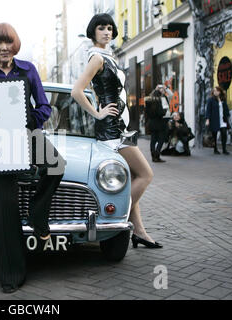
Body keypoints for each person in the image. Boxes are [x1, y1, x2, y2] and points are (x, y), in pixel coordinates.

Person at [0, 22, 66, 293]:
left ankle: (37, 214)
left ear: (15, 45)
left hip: (27, 134)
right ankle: (10, 274)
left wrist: (28, 121)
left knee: (56, 165)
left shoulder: (28, 70)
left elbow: (44, 106)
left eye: (7, 42)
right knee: (4, 206)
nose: (3, 48)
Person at [71, 13, 162, 250]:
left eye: (110, 28)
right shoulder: (96, 58)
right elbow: (77, 91)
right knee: (146, 174)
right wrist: (98, 113)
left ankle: (140, 232)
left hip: (120, 127)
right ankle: (114, 213)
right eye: (102, 28)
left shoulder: (107, 55)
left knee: (131, 177)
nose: (107, 32)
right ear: (93, 32)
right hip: (113, 130)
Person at [145, 85, 173, 162]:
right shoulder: (159, 101)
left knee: (153, 139)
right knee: (161, 138)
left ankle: (153, 155)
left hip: (152, 122)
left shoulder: (148, 100)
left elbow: (146, 113)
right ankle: (156, 154)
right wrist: (165, 112)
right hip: (161, 121)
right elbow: (161, 112)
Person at [206, 86, 230, 155]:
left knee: (224, 133)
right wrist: (207, 119)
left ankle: (224, 149)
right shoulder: (211, 100)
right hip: (215, 119)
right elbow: (208, 110)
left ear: (219, 92)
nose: (215, 92)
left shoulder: (223, 99)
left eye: (216, 91)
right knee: (214, 135)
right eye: (214, 91)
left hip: (222, 120)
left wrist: (227, 115)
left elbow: (226, 109)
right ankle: (215, 149)